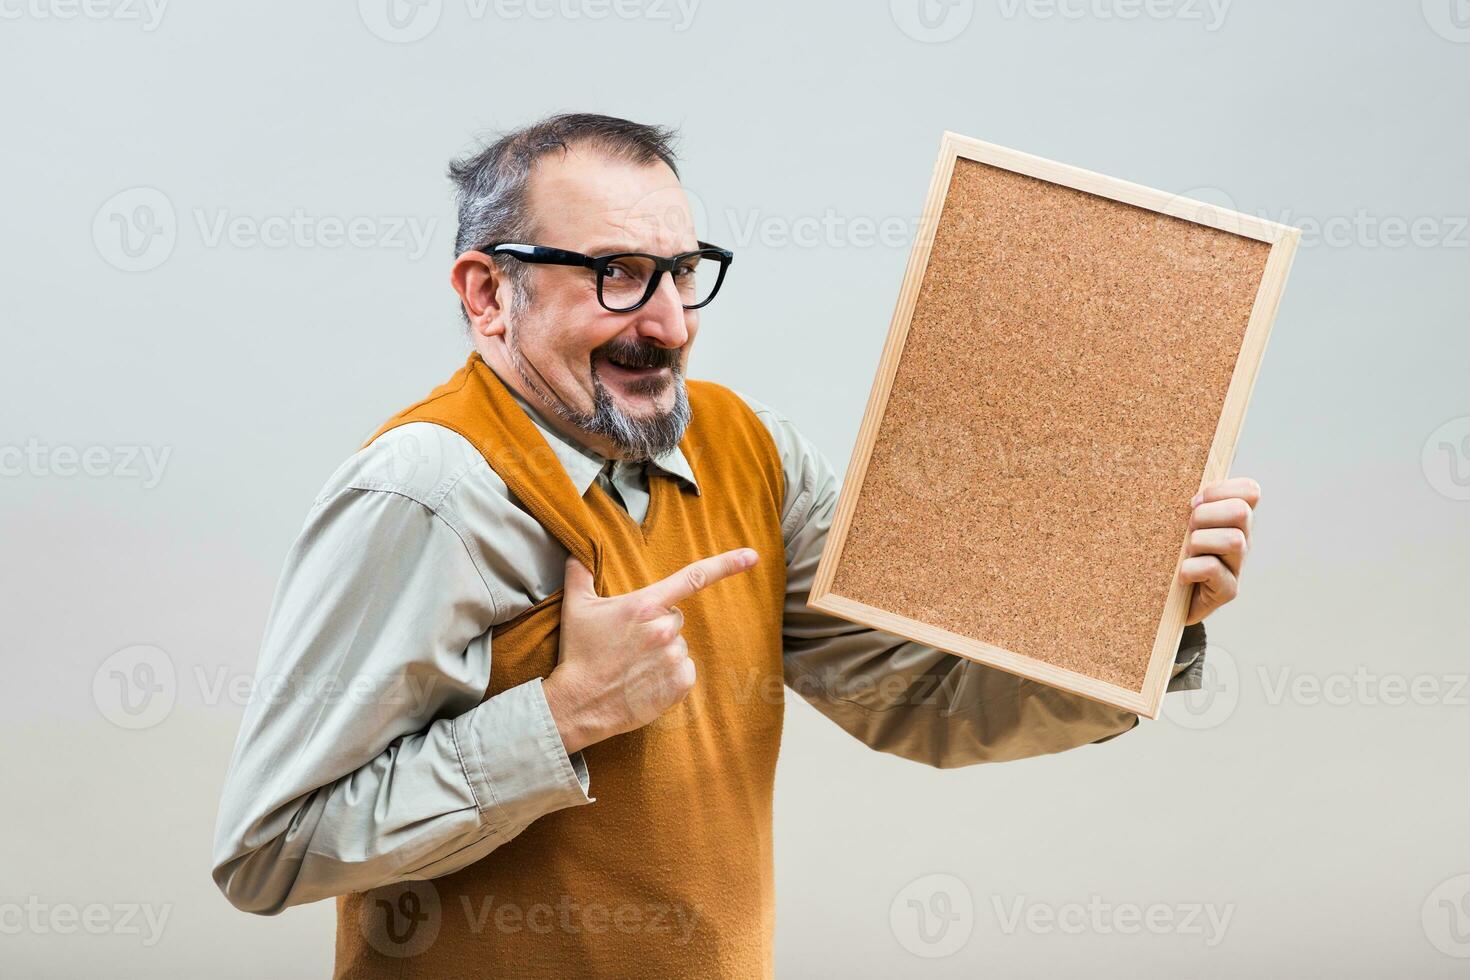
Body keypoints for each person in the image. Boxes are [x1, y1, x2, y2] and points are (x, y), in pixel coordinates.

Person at [210, 113, 1260, 979]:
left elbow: (916, 695)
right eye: (616, 273)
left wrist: (1141, 613)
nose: (667, 322)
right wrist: (567, 712)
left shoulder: (751, 452)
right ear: (488, 294)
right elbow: (269, 848)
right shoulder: (429, 493)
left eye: (680, 271)